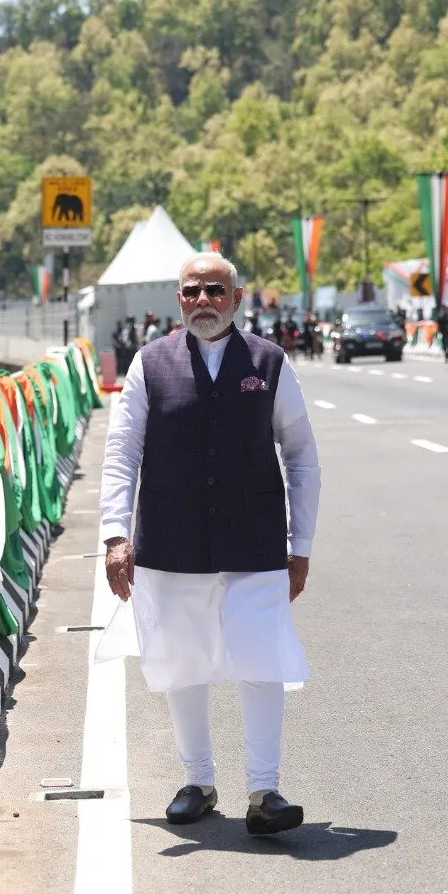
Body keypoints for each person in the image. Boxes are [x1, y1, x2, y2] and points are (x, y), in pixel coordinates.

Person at [100, 252, 321, 835]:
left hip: (255, 540)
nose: (204, 301)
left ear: (238, 298)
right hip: (173, 542)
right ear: (179, 300)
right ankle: (197, 781)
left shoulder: (270, 363)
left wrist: (302, 543)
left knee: (262, 655)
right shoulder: (150, 365)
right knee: (182, 661)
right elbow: (122, 452)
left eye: (215, 291)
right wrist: (115, 535)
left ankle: (264, 791)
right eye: (193, 291)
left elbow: (300, 454)